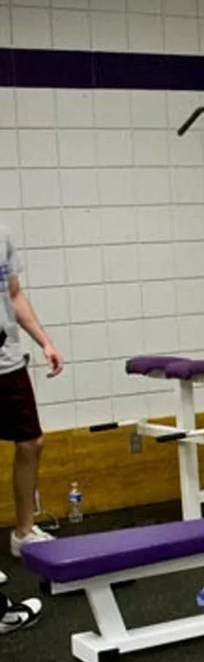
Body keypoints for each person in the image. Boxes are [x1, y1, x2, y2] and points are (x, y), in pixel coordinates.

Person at [1, 221, 63, 566]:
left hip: (6, 358)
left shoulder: (2, 235)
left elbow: (13, 294)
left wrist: (45, 341)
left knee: (31, 442)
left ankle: (23, 532)